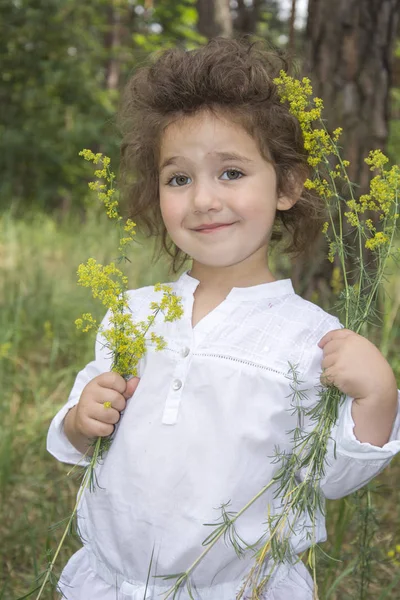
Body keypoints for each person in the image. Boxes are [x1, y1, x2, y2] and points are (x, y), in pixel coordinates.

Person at [47, 38, 400, 600]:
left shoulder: (313, 338)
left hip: (241, 588)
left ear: (286, 186)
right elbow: (78, 429)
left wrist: (377, 397)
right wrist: (80, 421)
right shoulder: (131, 312)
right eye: (178, 178)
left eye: (231, 172)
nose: (203, 200)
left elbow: (333, 479)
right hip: (112, 583)